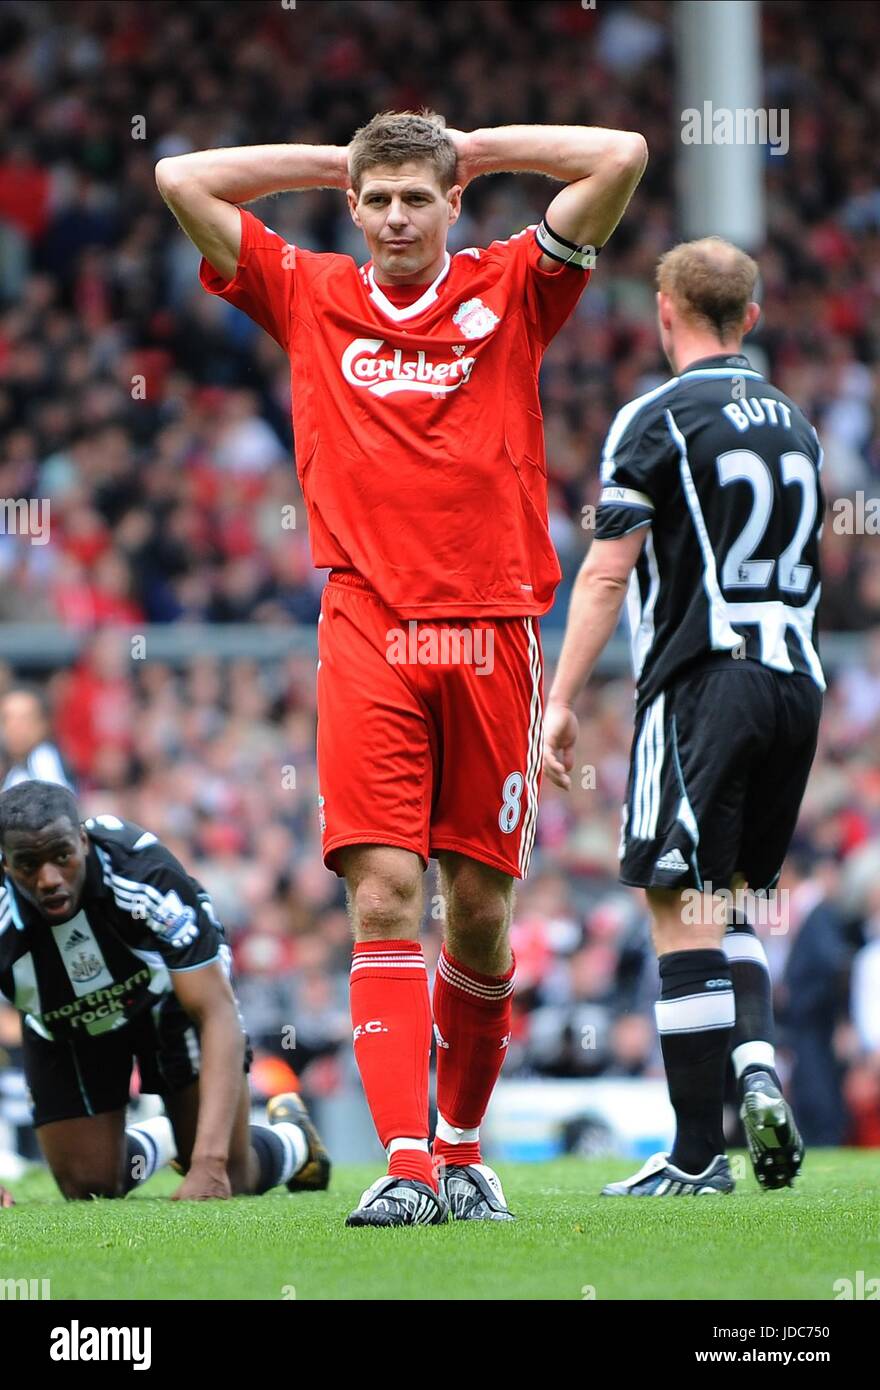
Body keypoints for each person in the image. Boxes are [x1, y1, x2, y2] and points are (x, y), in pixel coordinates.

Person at [156, 110, 647, 1225]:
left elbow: (620, 155)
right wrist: (333, 162)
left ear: (452, 203)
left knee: (478, 911)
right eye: (373, 199)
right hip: (369, 624)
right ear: (351, 205)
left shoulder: (515, 282)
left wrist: (473, 144)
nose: (391, 217)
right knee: (383, 894)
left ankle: (464, 1147)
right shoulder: (309, 288)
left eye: (414, 197)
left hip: (491, 630)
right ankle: (407, 1160)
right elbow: (181, 174)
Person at [543, 237, 824, 1196]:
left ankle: (698, 1156)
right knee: (727, 898)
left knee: (675, 906)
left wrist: (561, 698)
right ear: (749, 316)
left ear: (665, 310)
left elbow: (608, 569)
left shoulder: (653, 419)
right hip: (799, 683)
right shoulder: (798, 423)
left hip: (705, 683)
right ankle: (754, 1062)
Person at [0, 780, 329, 1205]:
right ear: (6, 864)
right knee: (91, 1186)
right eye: (28, 864)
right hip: (64, 1025)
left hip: (165, 1004)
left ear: (82, 840)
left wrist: (209, 1165)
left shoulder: (143, 873)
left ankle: (293, 1139)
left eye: (62, 857)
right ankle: (169, 1137)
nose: (48, 879)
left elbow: (216, 1012)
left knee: (232, 1173)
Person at [0, 687, 75, 792]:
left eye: (23, 719)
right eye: (6, 719)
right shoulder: (10, 767)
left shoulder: (45, 760)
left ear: (43, 724)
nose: (14, 727)